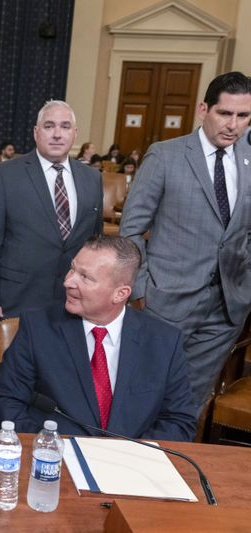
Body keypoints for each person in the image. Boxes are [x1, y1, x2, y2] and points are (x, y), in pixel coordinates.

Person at [120, 71, 251, 413]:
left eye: (243, 116)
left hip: (226, 309)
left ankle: (173, 464)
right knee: (142, 394)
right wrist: (142, 289)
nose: (233, 125)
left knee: (189, 403)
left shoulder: (249, 161)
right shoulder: (165, 155)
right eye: (225, 113)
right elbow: (132, 228)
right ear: (202, 109)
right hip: (165, 302)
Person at [0, 236, 197, 441]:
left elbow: (179, 420)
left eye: (85, 277)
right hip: (54, 461)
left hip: (131, 467)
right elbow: (3, 401)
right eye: (72, 269)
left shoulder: (164, 342)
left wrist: (133, 456)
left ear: (120, 294)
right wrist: (48, 446)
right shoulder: (39, 327)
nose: (68, 282)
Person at [0, 100, 103, 429]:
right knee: (3, 384)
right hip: (14, 301)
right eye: (49, 126)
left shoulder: (91, 179)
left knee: (59, 385)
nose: (57, 134)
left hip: (70, 303)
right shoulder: (5, 174)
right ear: (35, 132)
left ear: (75, 133)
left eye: (64, 127)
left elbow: (94, 244)